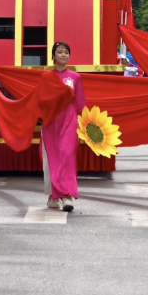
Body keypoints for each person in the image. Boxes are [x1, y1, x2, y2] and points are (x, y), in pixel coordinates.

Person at [42, 41, 87, 212]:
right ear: (53, 56)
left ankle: (68, 195)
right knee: (52, 159)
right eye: (60, 52)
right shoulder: (46, 77)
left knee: (67, 156)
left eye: (66, 52)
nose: (63, 55)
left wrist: (84, 124)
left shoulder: (75, 77)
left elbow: (80, 103)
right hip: (51, 123)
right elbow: (42, 101)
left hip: (70, 123)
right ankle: (53, 196)